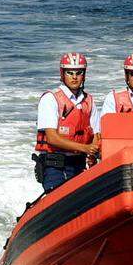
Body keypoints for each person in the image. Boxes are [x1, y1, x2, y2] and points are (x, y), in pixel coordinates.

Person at [34, 52, 99, 192]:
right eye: (70, 73)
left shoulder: (89, 101)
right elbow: (52, 138)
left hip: (79, 164)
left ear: (84, 74)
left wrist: (93, 151)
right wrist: (85, 148)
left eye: (79, 72)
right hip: (55, 165)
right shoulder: (51, 99)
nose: (74, 77)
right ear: (62, 74)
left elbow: (97, 134)